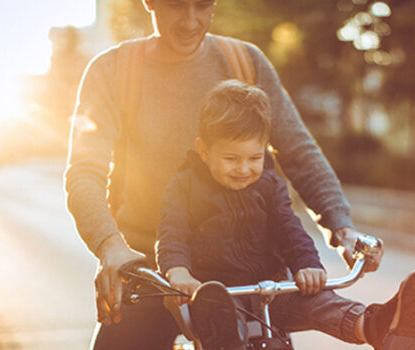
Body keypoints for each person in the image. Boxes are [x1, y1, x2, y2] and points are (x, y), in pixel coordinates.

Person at [65, 0, 385, 348]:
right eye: (176, 7)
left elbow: (299, 152)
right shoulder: (114, 70)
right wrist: (110, 246)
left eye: (202, 6)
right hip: (151, 269)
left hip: (246, 275)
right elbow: (84, 171)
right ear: (150, 3)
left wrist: (342, 228)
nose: (190, 21)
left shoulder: (244, 62)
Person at [156, 79, 415, 350]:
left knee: (316, 300)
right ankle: (227, 343)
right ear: (204, 150)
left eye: (254, 158)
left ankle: (375, 325)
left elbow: (289, 228)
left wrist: (307, 264)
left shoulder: (269, 185)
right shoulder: (184, 186)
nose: (244, 169)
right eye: (231, 159)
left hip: (270, 291)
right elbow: (172, 233)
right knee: (221, 319)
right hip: (216, 295)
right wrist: (177, 270)